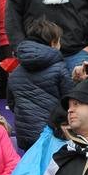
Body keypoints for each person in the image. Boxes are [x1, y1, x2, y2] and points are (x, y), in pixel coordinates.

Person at [11, 17, 72, 151]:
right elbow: (69, 102)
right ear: (53, 43)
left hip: (25, 137)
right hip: (53, 136)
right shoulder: (60, 68)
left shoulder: (15, 72)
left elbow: (12, 104)